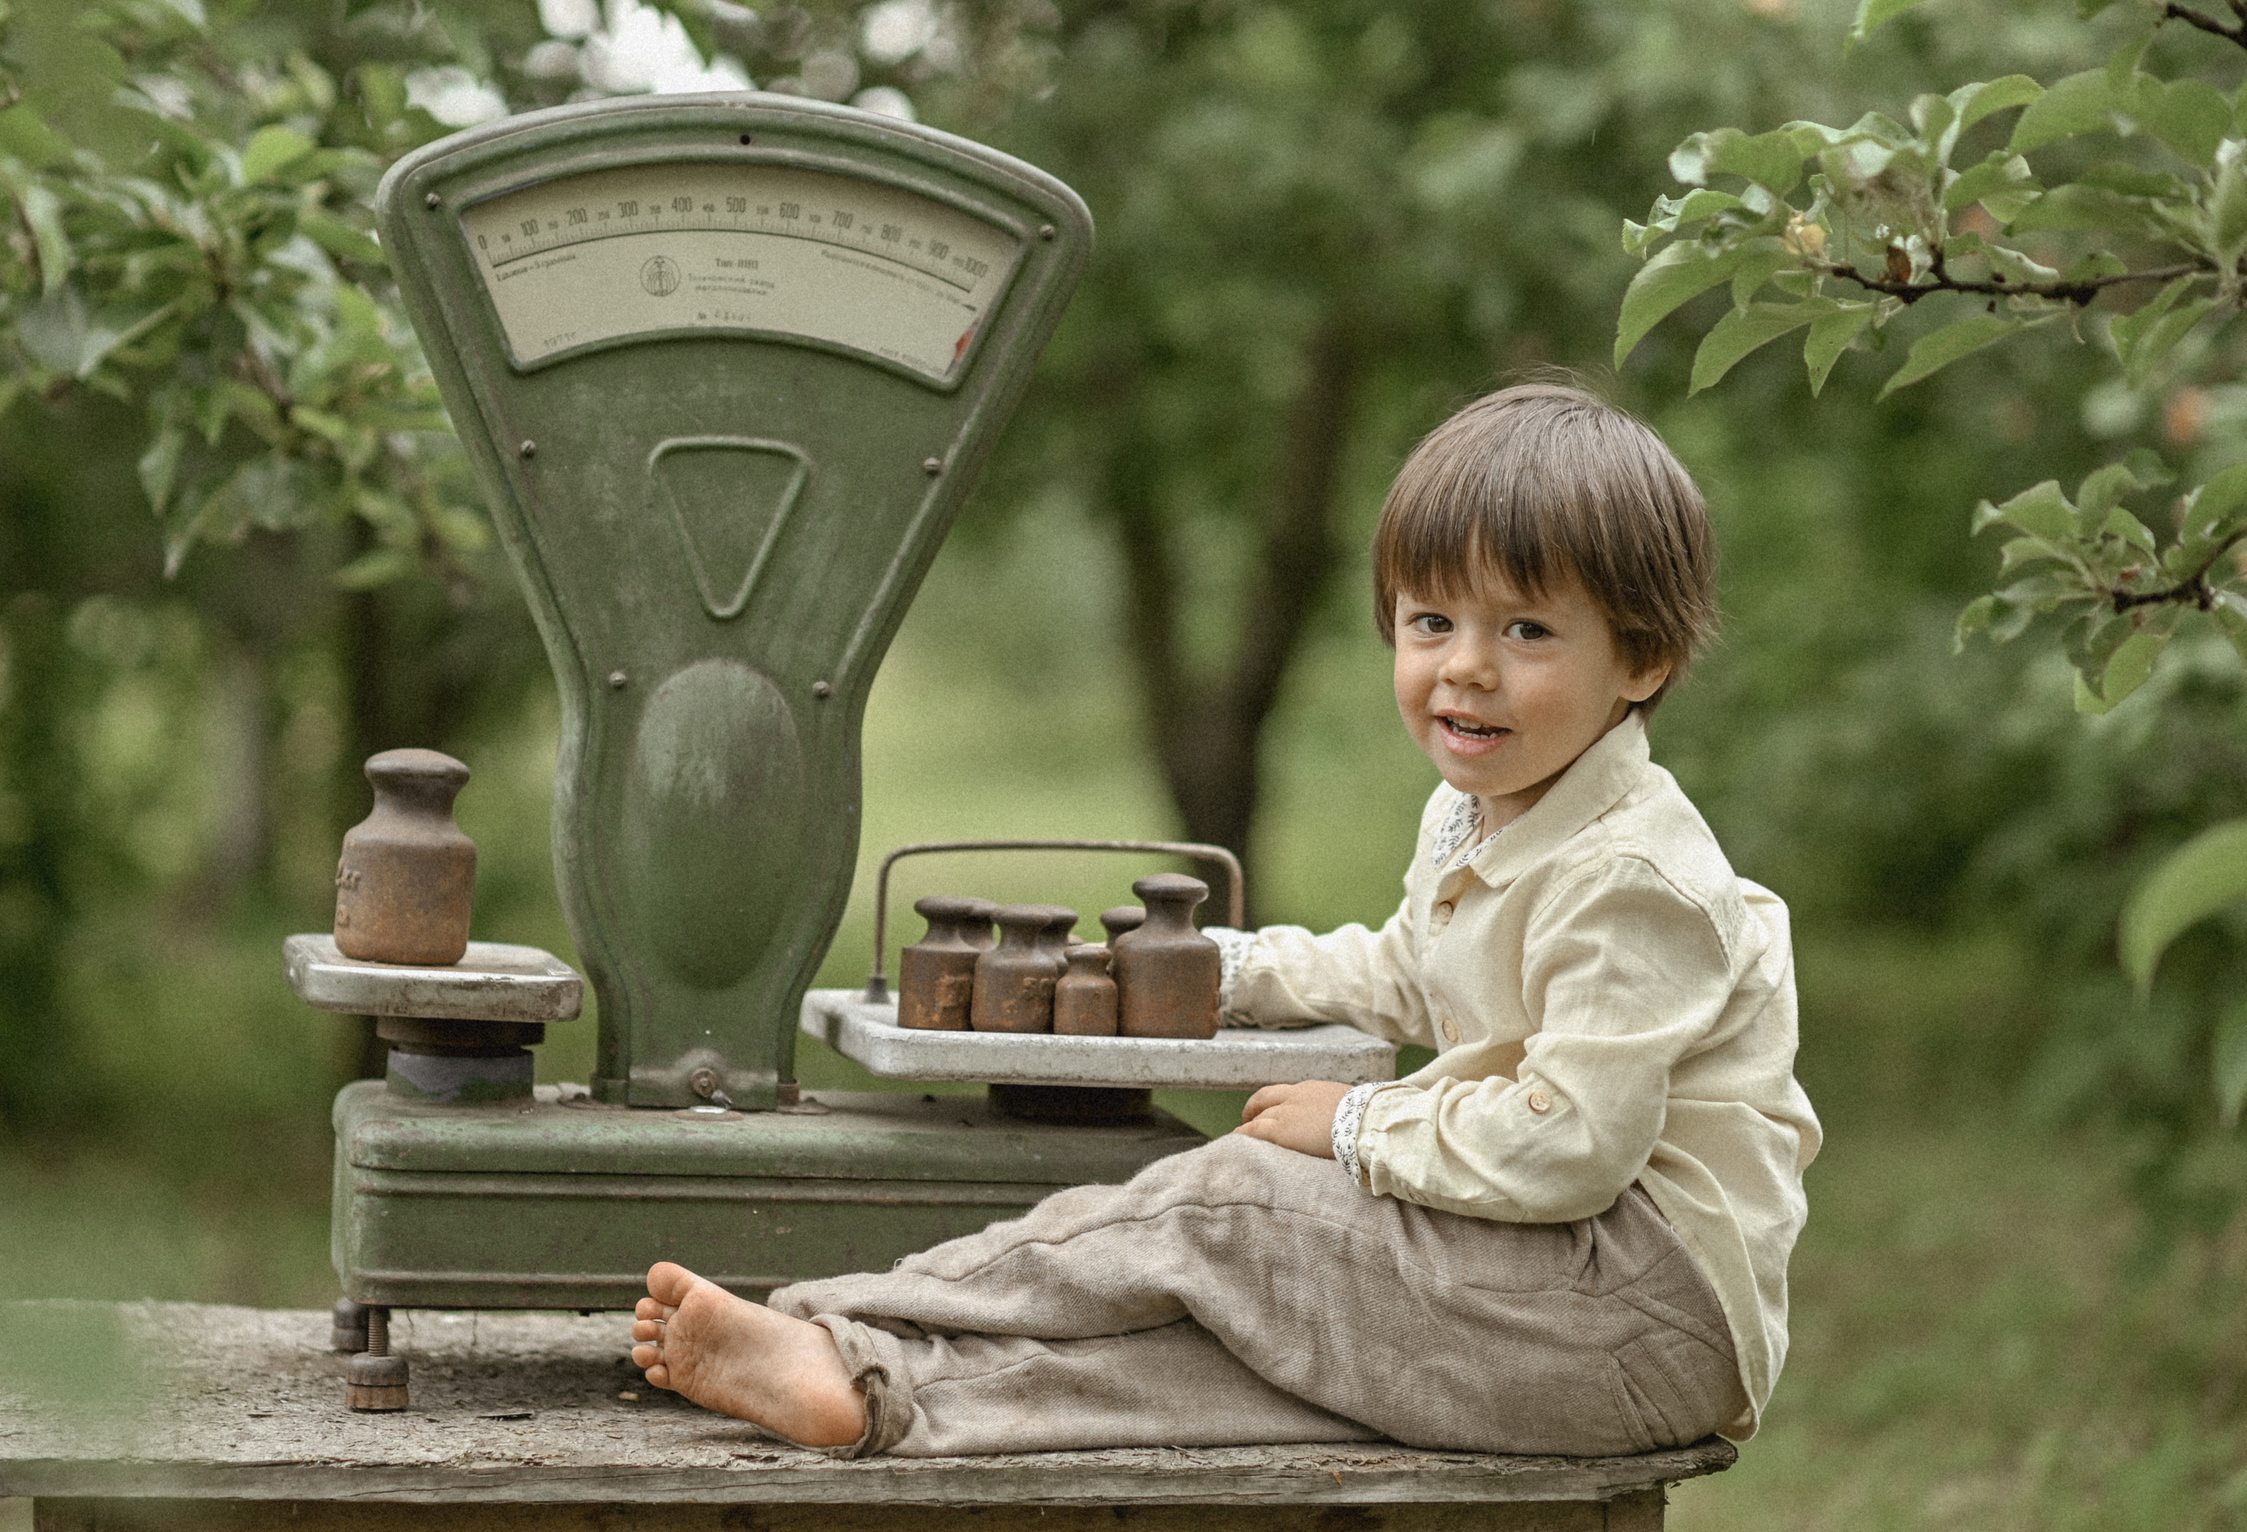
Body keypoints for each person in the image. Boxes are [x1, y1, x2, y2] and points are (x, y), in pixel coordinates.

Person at [630, 382, 1822, 1458]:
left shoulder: (1632, 880)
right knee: (1223, 1346)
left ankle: (834, 1323)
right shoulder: (1488, 816)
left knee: (1225, 1207)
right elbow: (1416, 970)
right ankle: (877, 1393)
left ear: (1642, 661)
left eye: (1526, 631)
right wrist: (1226, 969)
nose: (1464, 668)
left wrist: (1350, 1124)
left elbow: (1568, 1146)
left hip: (1626, 1306)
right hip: (1560, 1327)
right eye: (1430, 622)